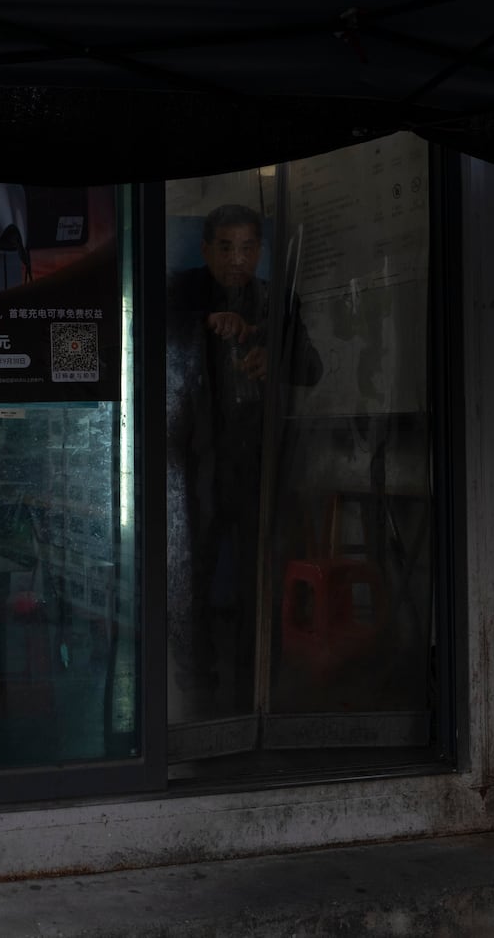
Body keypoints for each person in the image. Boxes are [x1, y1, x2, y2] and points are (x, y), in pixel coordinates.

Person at [168, 203, 322, 708]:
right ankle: (197, 684)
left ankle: (256, 686)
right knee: (193, 576)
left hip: (257, 465)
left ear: (261, 251)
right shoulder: (182, 290)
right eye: (227, 247)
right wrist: (208, 322)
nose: (238, 258)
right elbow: (153, 338)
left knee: (261, 578)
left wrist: (271, 355)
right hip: (196, 465)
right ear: (207, 249)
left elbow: (311, 368)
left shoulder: (278, 299)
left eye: (248, 247)